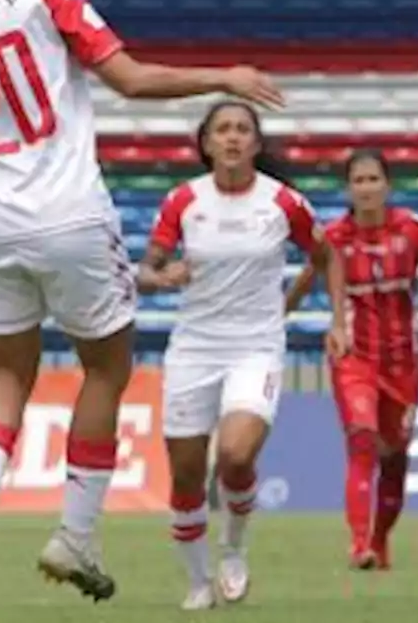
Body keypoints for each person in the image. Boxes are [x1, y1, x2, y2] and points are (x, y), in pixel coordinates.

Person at [0, 0, 284, 606]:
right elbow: (128, 77)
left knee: (10, 374)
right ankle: (75, 533)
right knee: (106, 365)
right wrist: (223, 76)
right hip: (68, 208)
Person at [137, 101, 347, 611]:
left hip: (255, 347)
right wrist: (163, 277)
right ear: (206, 143)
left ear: (256, 143)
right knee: (186, 474)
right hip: (194, 348)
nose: (232, 138)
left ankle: (233, 549)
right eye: (222, 130)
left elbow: (327, 258)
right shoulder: (183, 201)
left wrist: (340, 320)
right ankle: (197, 581)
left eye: (242, 130)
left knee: (234, 454)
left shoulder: (283, 204)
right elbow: (146, 270)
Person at [286, 148, 418, 570]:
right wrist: (276, 318)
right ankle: (358, 545)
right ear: (348, 189)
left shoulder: (410, 229)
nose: (367, 188)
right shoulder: (333, 239)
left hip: (402, 363)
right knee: (362, 440)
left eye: (374, 180)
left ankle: (380, 540)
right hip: (354, 356)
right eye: (359, 181)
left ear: (387, 185)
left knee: (395, 459)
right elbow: (304, 281)